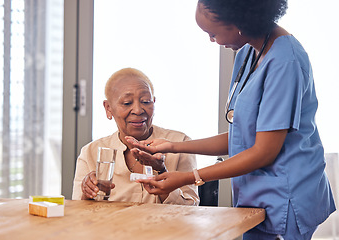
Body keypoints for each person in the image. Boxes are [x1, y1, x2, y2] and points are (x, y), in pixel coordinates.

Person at [126, 0, 336, 239]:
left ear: (239, 22)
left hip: (286, 197)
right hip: (256, 198)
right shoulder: (247, 53)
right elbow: (242, 135)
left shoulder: (284, 61)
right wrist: (172, 146)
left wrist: (189, 178)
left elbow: (264, 151)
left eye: (212, 33)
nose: (211, 41)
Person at [72, 67, 199, 205]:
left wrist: (161, 172)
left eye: (145, 101)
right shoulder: (91, 152)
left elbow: (190, 210)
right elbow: (79, 214)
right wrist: (87, 193)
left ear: (154, 103)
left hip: (164, 226)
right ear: (108, 108)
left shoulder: (180, 143)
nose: (138, 110)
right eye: (127, 103)